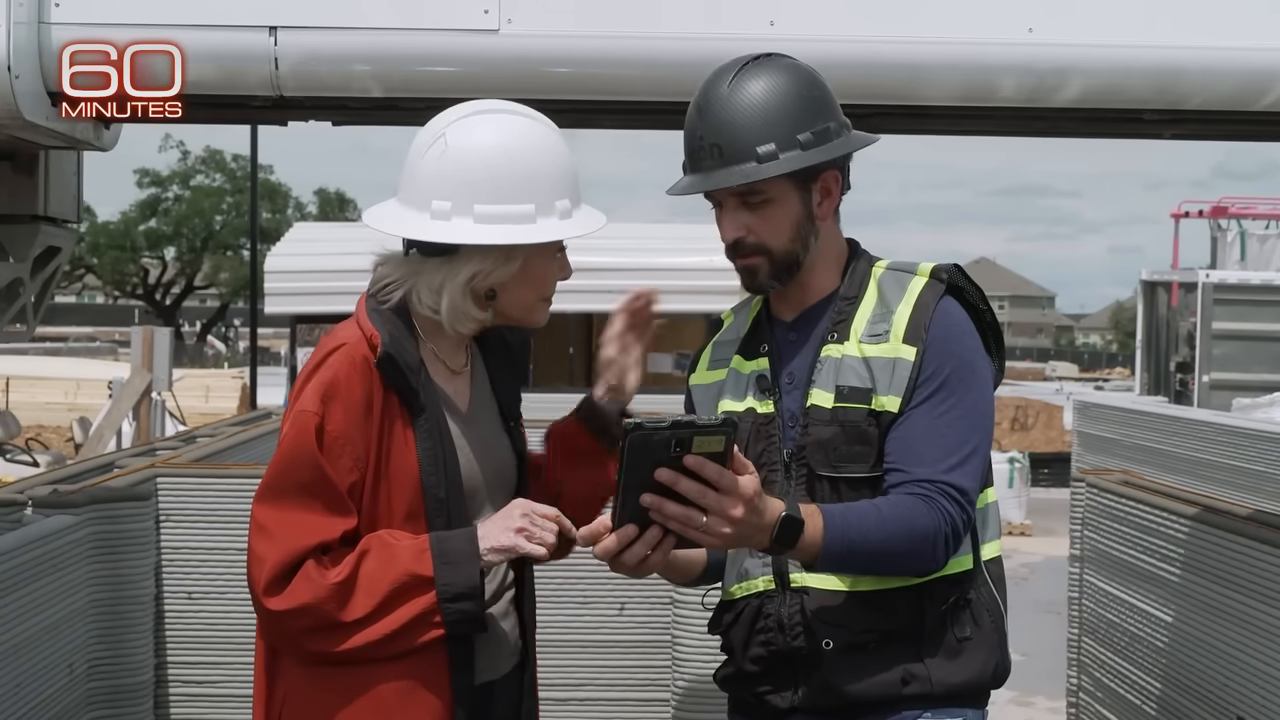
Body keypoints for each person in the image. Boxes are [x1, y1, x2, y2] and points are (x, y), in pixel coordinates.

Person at [579, 53, 1011, 720]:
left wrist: (771, 522)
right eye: (718, 205)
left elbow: (933, 522)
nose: (731, 230)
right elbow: (730, 555)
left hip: (911, 699)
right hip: (768, 696)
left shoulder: (930, 320)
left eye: (753, 201)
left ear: (825, 193)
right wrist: (659, 551)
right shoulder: (720, 351)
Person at [246, 99, 656, 720]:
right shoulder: (351, 372)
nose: (567, 270)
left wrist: (607, 406)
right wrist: (476, 547)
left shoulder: (482, 357)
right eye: (557, 247)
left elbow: (508, 510)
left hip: (492, 689)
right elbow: (291, 584)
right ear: (494, 261)